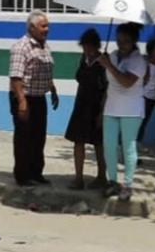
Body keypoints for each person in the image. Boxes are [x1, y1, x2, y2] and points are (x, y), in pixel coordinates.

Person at [7, 10, 58, 187]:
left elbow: (45, 70)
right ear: (32, 27)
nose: (47, 29)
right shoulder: (21, 47)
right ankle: (22, 176)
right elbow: (16, 77)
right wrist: (22, 102)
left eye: (47, 25)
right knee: (24, 138)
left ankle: (36, 173)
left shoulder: (44, 46)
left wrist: (52, 89)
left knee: (38, 137)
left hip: (39, 98)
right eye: (43, 26)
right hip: (25, 98)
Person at [98, 22, 147, 200]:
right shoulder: (112, 55)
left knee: (128, 146)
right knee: (109, 146)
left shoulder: (138, 61)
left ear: (134, 41)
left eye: (125, 41)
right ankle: (112, 181)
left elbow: (127, 82)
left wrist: (109, 66)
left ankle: (127, 184)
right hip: (112, 106)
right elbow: (109, 84)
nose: (121, 44)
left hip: (131, 109)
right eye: (119, 40)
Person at [63, 28, 108, 190]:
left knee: (99, 143)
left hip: (97, 107)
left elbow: (108, 89)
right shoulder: (84, 59)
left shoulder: (104, 61)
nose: (87, 50)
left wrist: (102, 113)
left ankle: (102, 176)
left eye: (90, 47)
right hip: (81, 105)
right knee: (78, 141)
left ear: (96, 46)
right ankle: (78, 178)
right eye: (85, 47)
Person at [136, 38, 155, 148]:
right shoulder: (145, 63)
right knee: (142, 121)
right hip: (147, 96)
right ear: (151, 51)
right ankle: (138, 142)